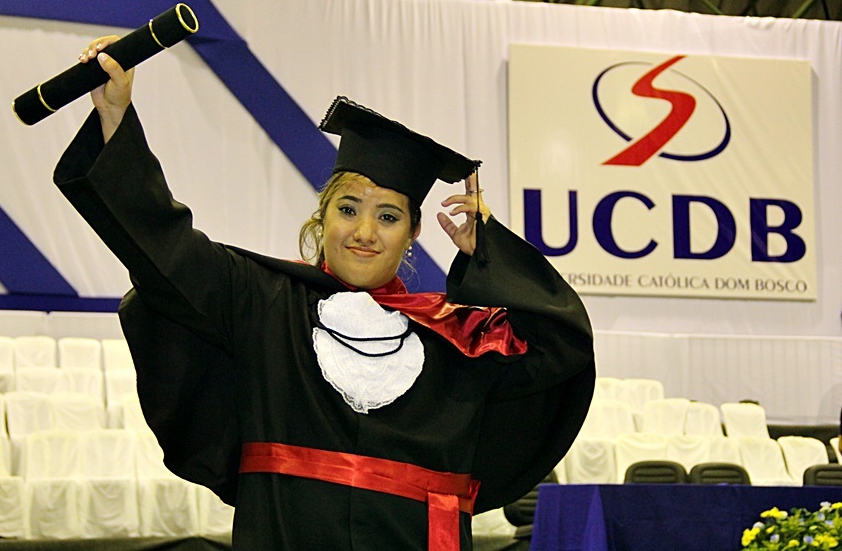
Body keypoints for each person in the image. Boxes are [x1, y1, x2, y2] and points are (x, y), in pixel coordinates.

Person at [52, 36, 595, 550]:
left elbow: (562, 343)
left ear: (412, 233)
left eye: (387, 216)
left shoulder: (456, 339)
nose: (364, 232)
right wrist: (115, 116)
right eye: (348, 209)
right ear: (323, 215)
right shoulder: (261, 300)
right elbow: (163, 248)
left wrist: (490, 252)